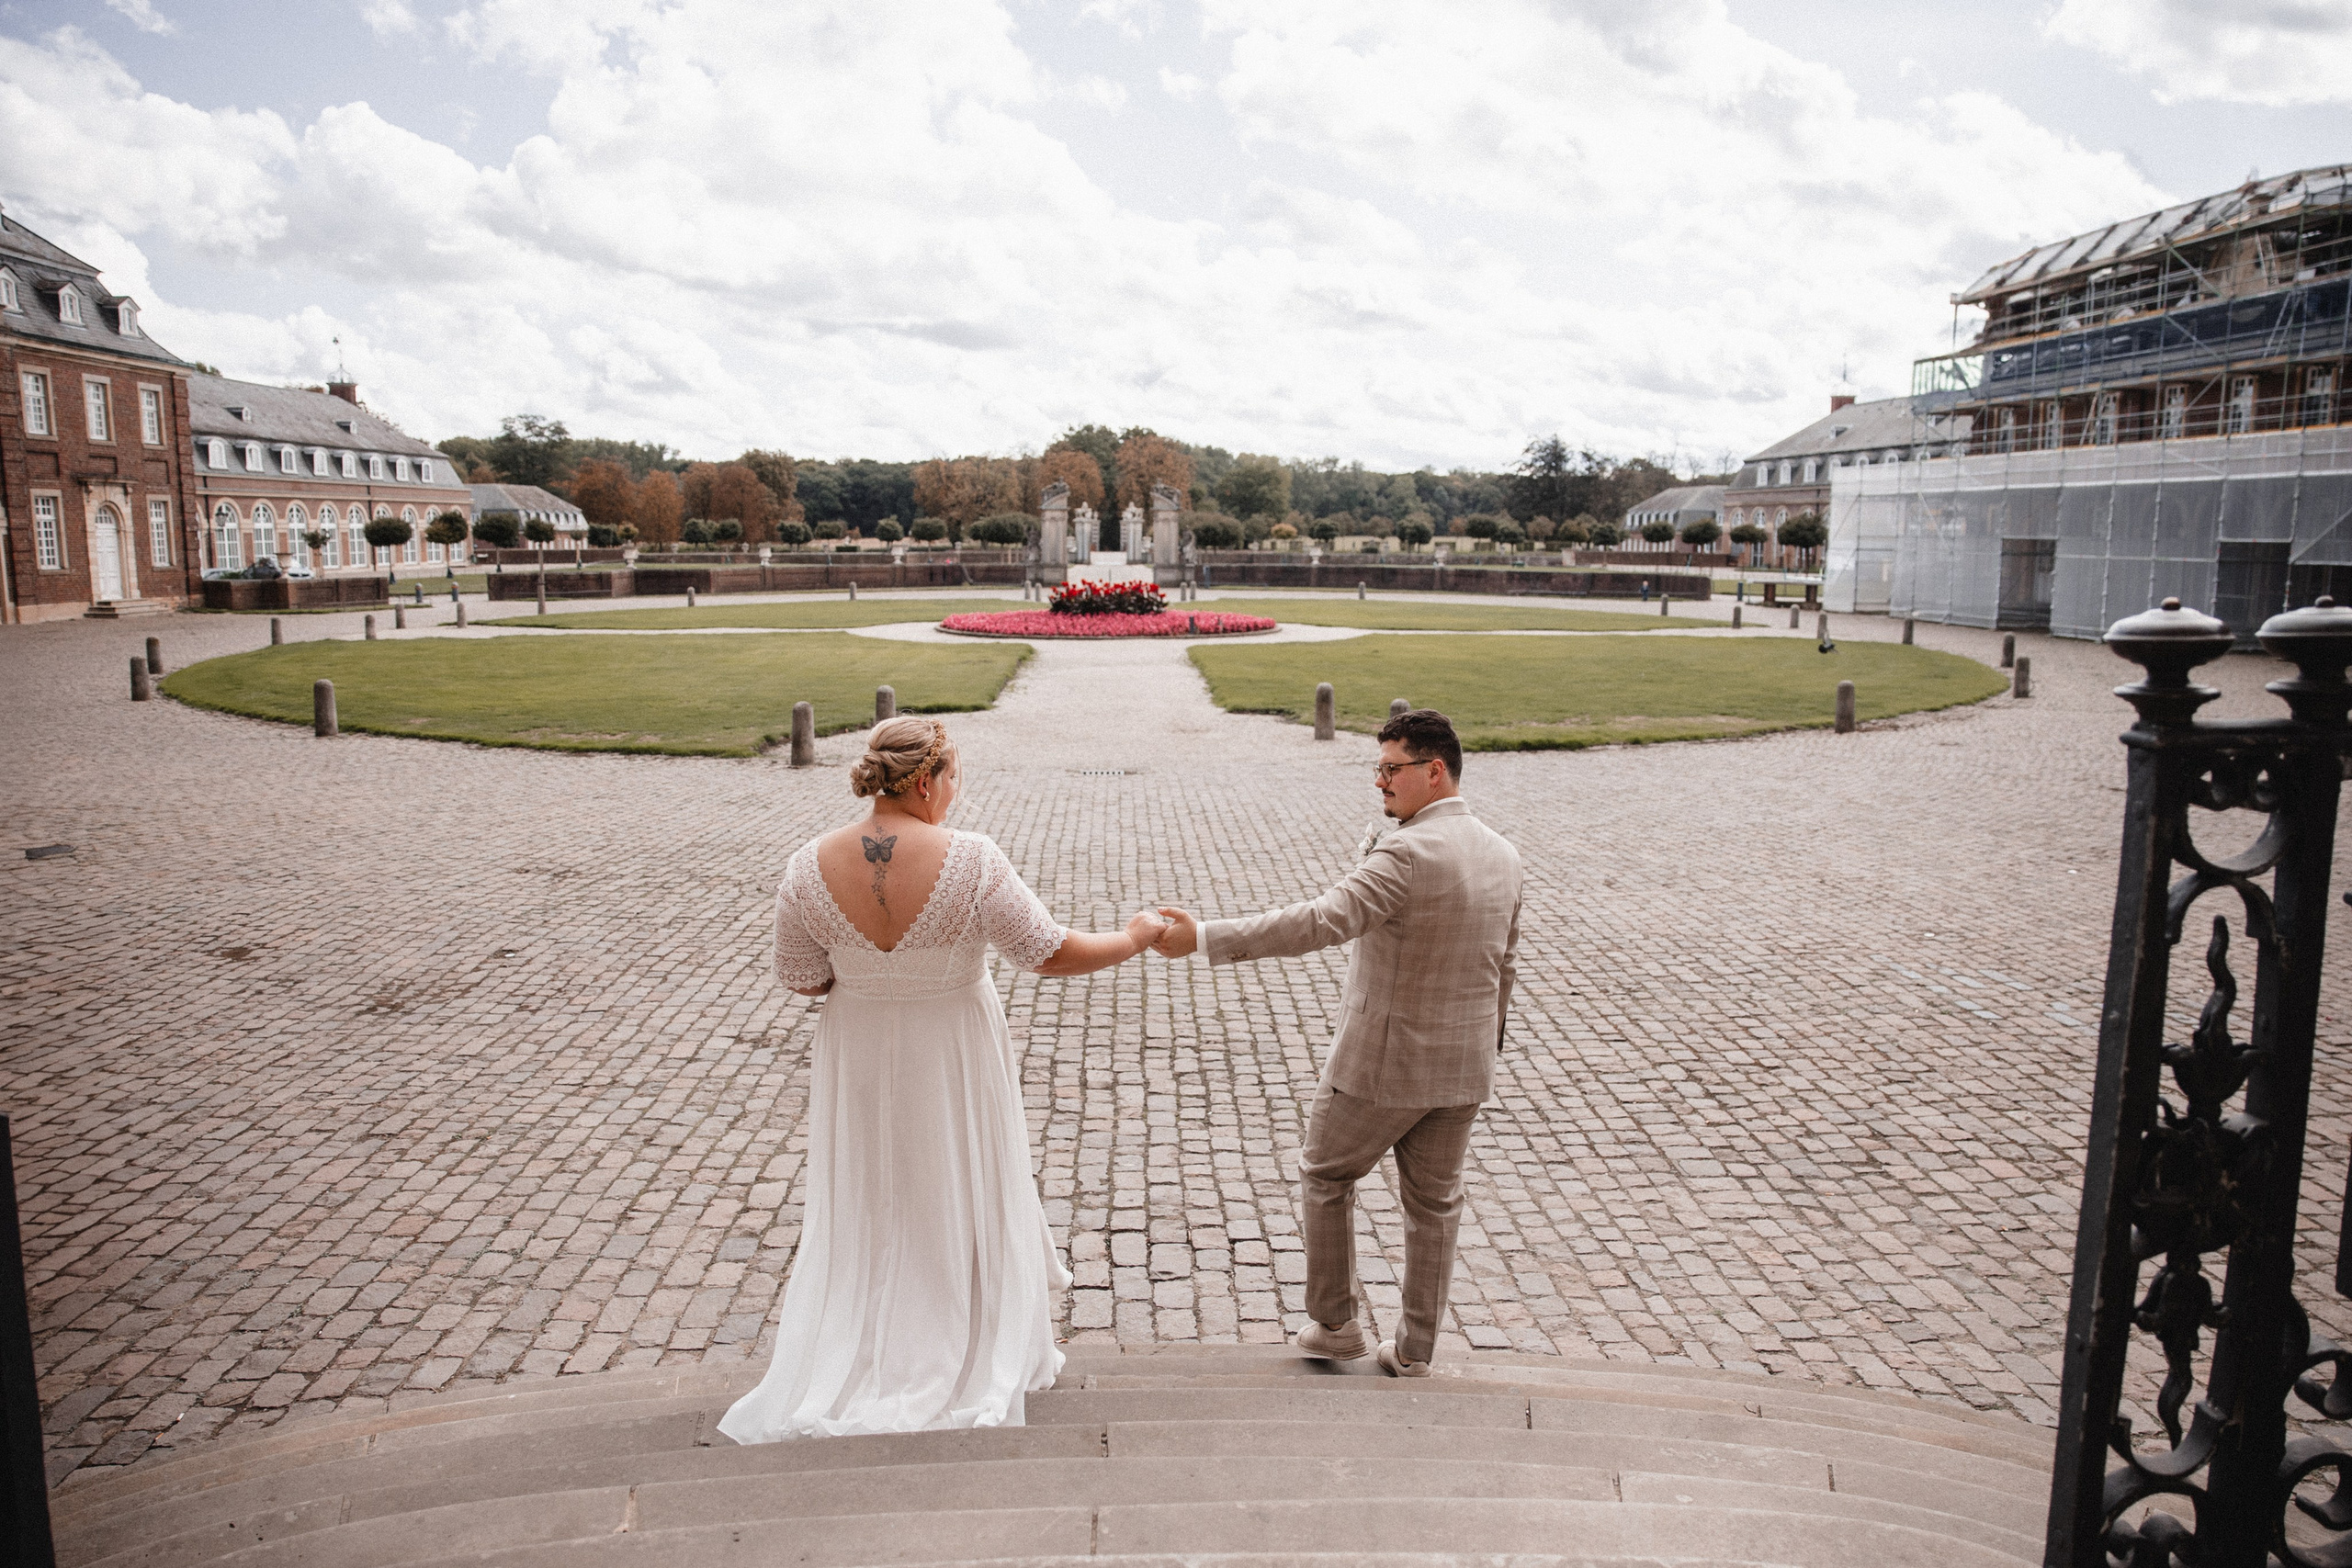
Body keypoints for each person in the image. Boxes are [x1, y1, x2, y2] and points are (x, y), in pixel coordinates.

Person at [718, 716, 1164, 1442]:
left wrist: (868, 973)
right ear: (926, 781)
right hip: (954, 1042)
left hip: (859, 1044)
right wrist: (1136, 937)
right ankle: (964, 1338)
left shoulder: (808, 864)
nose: (957, 793)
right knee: (958, 1180)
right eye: (954, 778)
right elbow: (1047, 952)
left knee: (875, 1190)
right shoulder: (973, 859)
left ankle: (867, 1342)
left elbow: (799, 976)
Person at [1152, 708, 1521, 1377]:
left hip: (1382, 1065)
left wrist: (1204, 936)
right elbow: (1506, 966)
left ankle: (1335, 1323)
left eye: (1391, 769)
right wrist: (1480, 1051)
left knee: (1326, 1172)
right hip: (1464, 1068)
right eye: (1376, 767)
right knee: (1435, 1206)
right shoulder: (1504, 852)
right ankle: (1415, 1351)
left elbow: (1322, 920)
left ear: (1434, 770)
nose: (1379, 781)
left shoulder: (1406, 852)